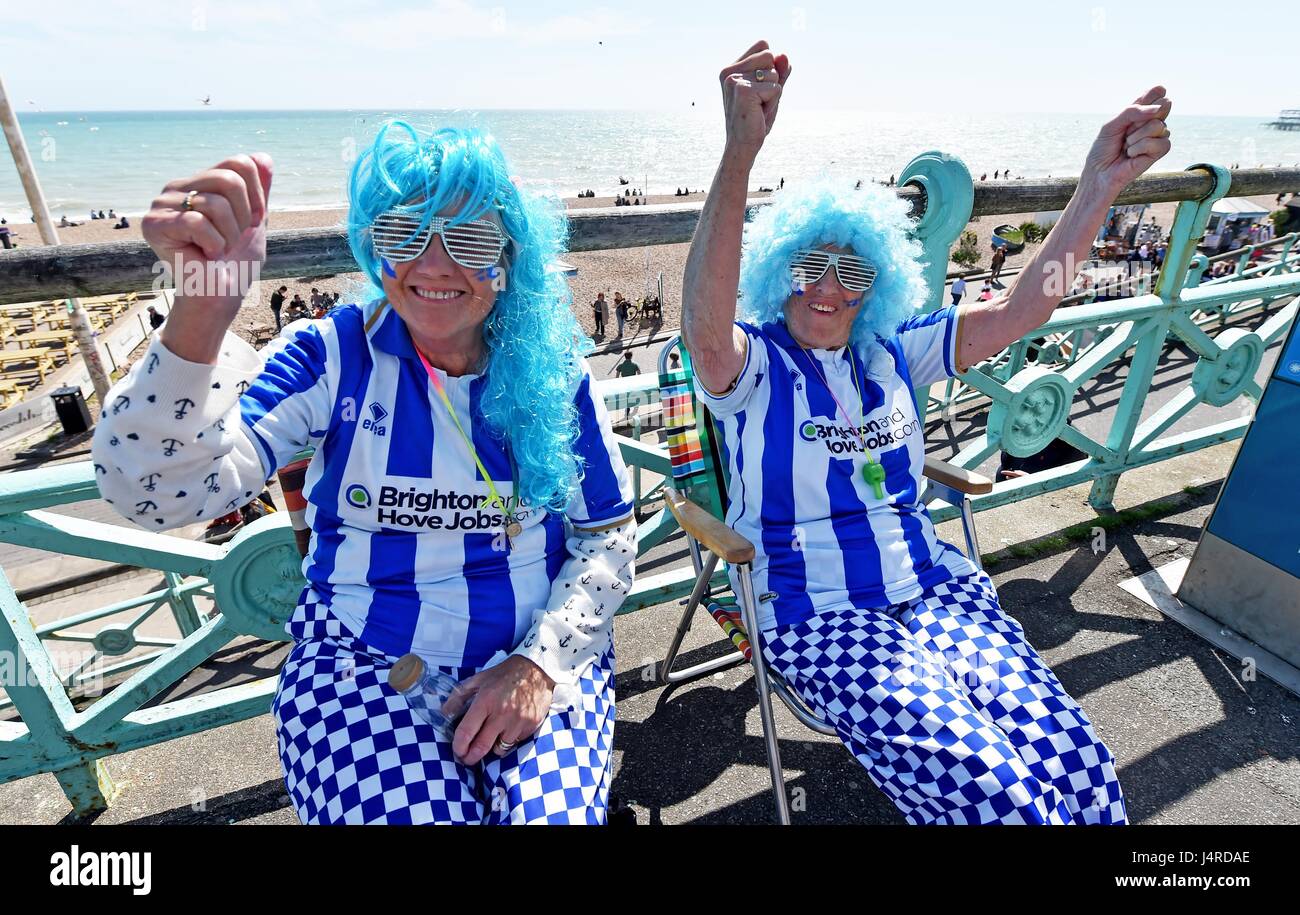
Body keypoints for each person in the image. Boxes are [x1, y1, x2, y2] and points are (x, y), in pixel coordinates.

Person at [681, 39, 1171, 824]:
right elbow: (701, 329)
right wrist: (740, 149)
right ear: (781, 269)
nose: (830, 289)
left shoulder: (891, 350)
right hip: (823, 616)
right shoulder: (754, 365)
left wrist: (1097, 187)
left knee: (1084, 772)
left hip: (939, 591)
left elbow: (1024, 308)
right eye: (811, 264)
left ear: (879, 284)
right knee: (996, 796)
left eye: (855, 272)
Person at [92, 125, 636, 824]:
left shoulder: (553, 373)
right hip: (360, 667)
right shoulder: (333, 358)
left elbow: (609, 533)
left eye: (469, 241)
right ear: (372, 245)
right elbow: (156, 491)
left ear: (508, 260)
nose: (436, 266)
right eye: (406, 233)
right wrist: (205, 306)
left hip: (534, 656)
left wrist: (539, 664)